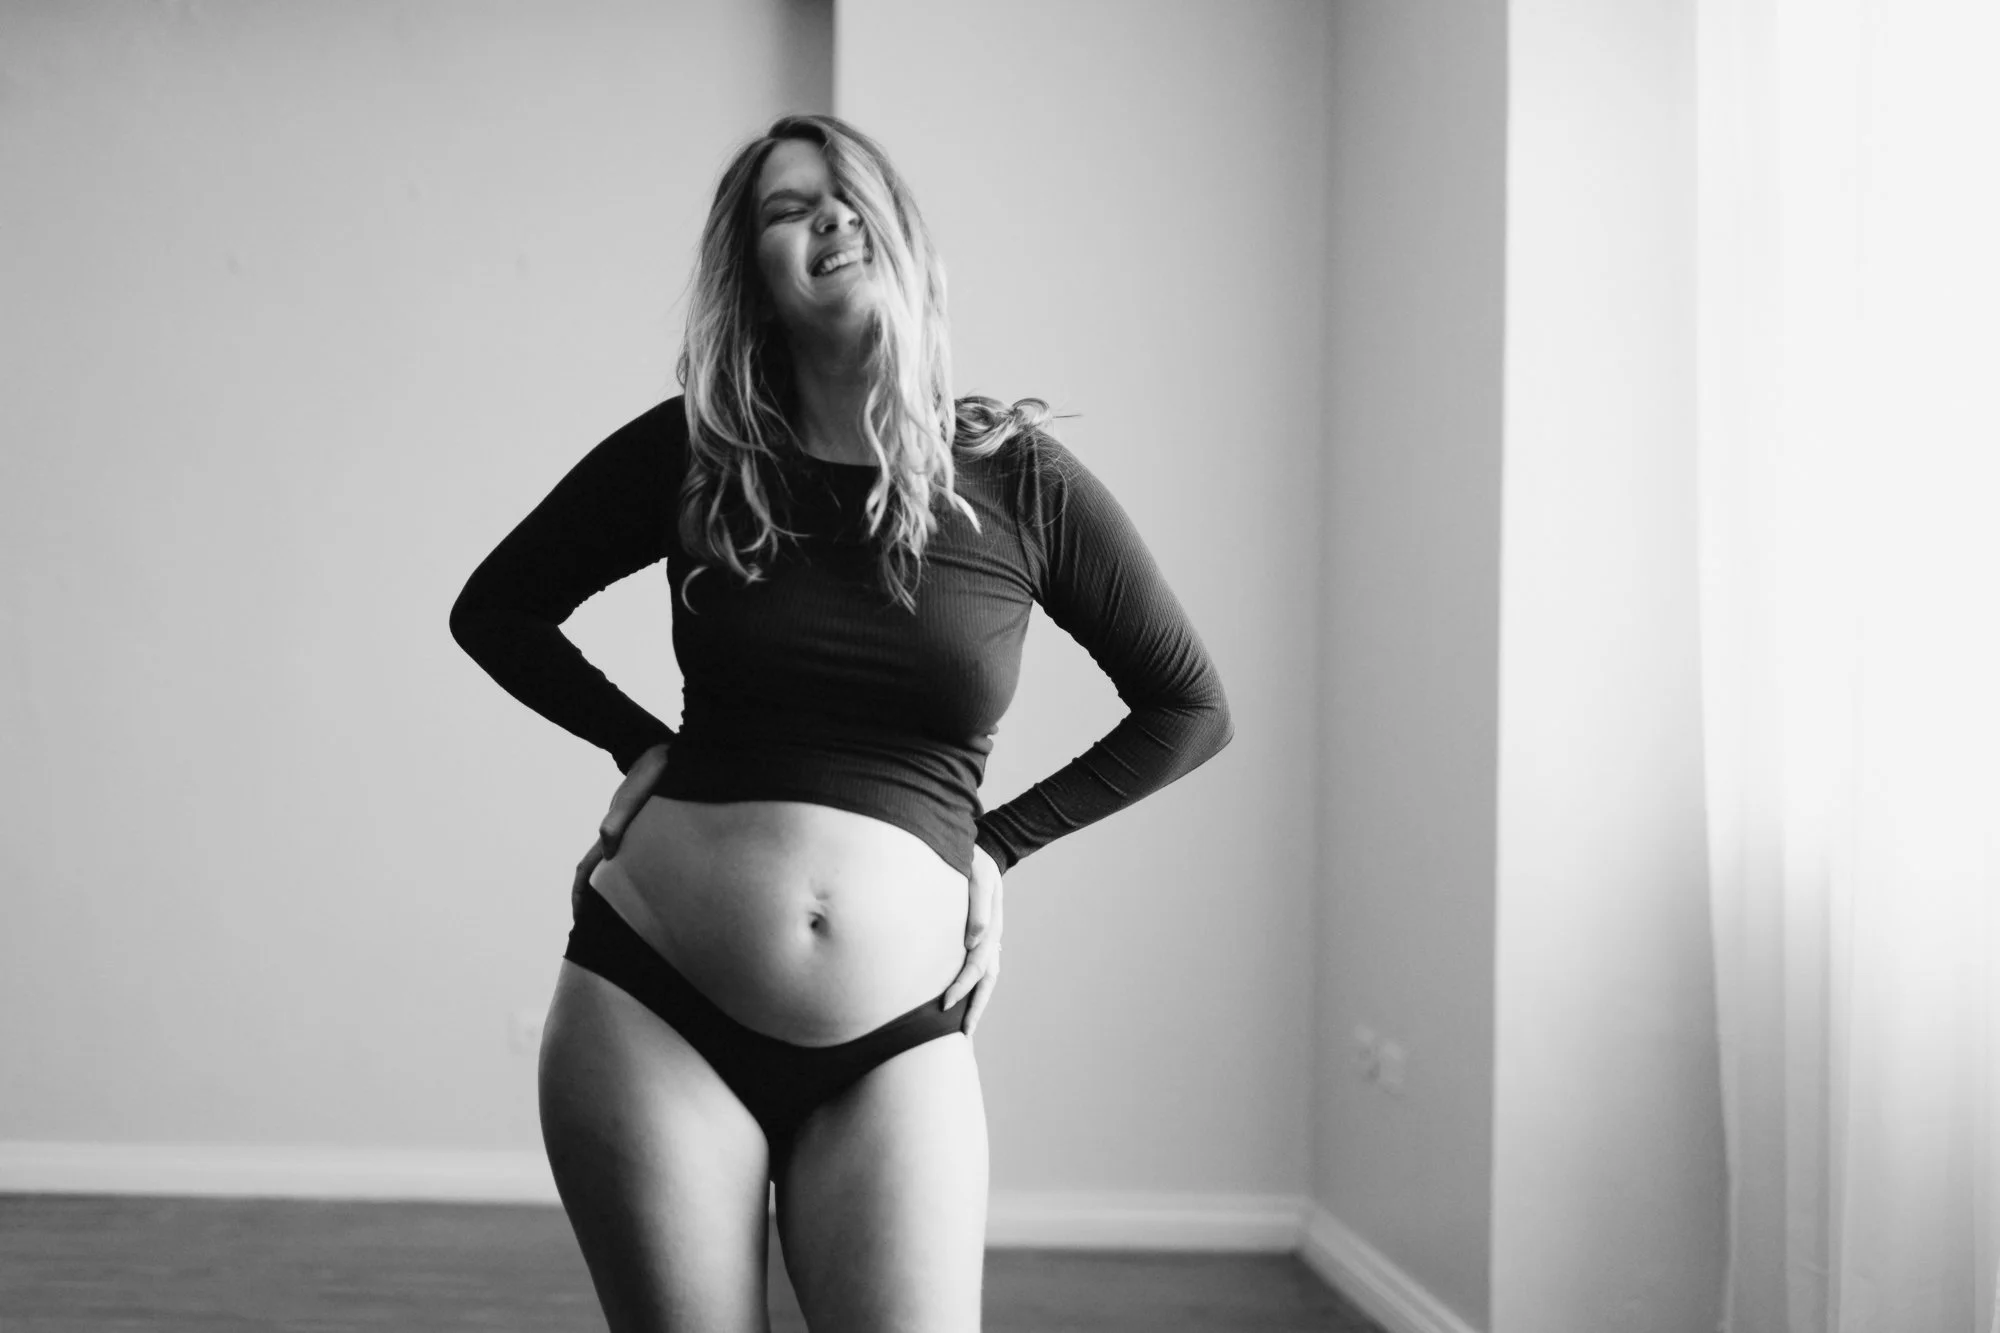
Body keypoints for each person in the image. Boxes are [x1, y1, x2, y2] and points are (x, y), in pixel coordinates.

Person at [447, 112, 1232, 1333]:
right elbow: (495, 609)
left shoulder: (1017, 479)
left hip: (893, 1040)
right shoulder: (698, 453)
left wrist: (996, 844)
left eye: (850, 195)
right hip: (653, 1003)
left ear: (900, 235)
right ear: (752, 273)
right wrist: (634, 740)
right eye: (787, 207)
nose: (827, 217)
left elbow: (1188, 704)